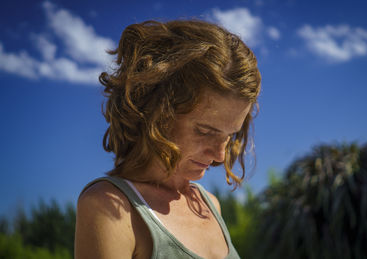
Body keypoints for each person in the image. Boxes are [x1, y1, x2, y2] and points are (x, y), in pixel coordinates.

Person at [74, 20, 261, 259]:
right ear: (156, 112)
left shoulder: (210, 205)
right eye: (204, 131)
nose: (220, 155)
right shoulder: (109, 206)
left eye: (229, 136)